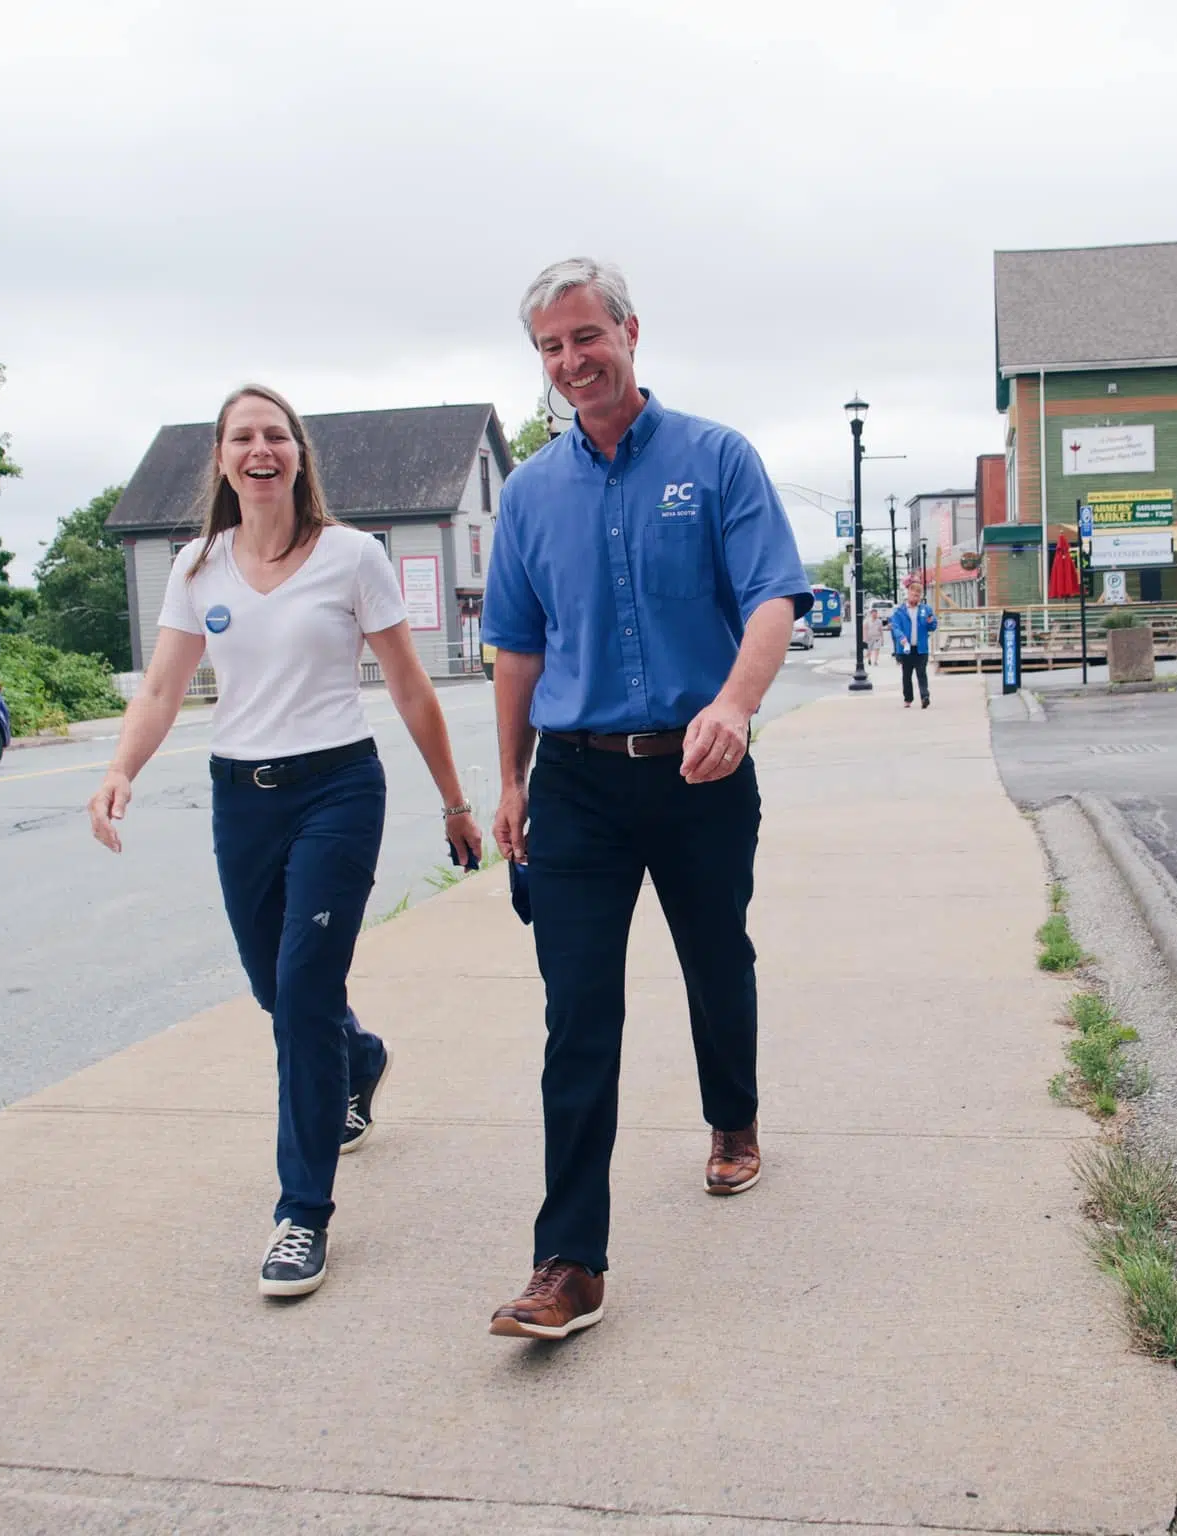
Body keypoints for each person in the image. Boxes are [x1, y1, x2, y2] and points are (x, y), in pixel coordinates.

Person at [86, 384, 482, 1300]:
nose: (260, 450)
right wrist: (120, 770)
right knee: (278, 988)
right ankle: (360, 1056)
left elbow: (412, 688)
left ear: (299, 454)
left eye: (275, 436)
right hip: (243, 799)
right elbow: (159, 692)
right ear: (222, 458)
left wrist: (456, 802)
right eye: (242, 438)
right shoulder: (197, 566)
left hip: (337, 788)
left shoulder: (350, 557)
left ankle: (301, 1214)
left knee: (302, 992)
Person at [481, 258, 810, 1340]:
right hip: (575, 780)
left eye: (586, 337)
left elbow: (770, 597)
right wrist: (511, 776)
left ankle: (733, 1118)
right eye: (549, 348)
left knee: (715, 960)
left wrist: (733, 705)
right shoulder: (529, 492)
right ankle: (568, 1262)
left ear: (628, 331)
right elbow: (517, 650)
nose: (572, 362)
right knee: (576, 1009)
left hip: (698, 770)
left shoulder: (714, 460)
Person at [891, 579, 937, 708]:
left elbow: (933, 626)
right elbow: (895, 627)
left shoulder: (925, 610)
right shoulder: (900, 611)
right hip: (906, 649)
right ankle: (908, 698)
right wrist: (901, 638)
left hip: (921, 648)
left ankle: (925, 696)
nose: (915, 598)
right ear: (908, 593)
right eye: (913, 594)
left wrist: (930, 622)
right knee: (907, 675)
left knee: (921, 673)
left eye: (917, 595)